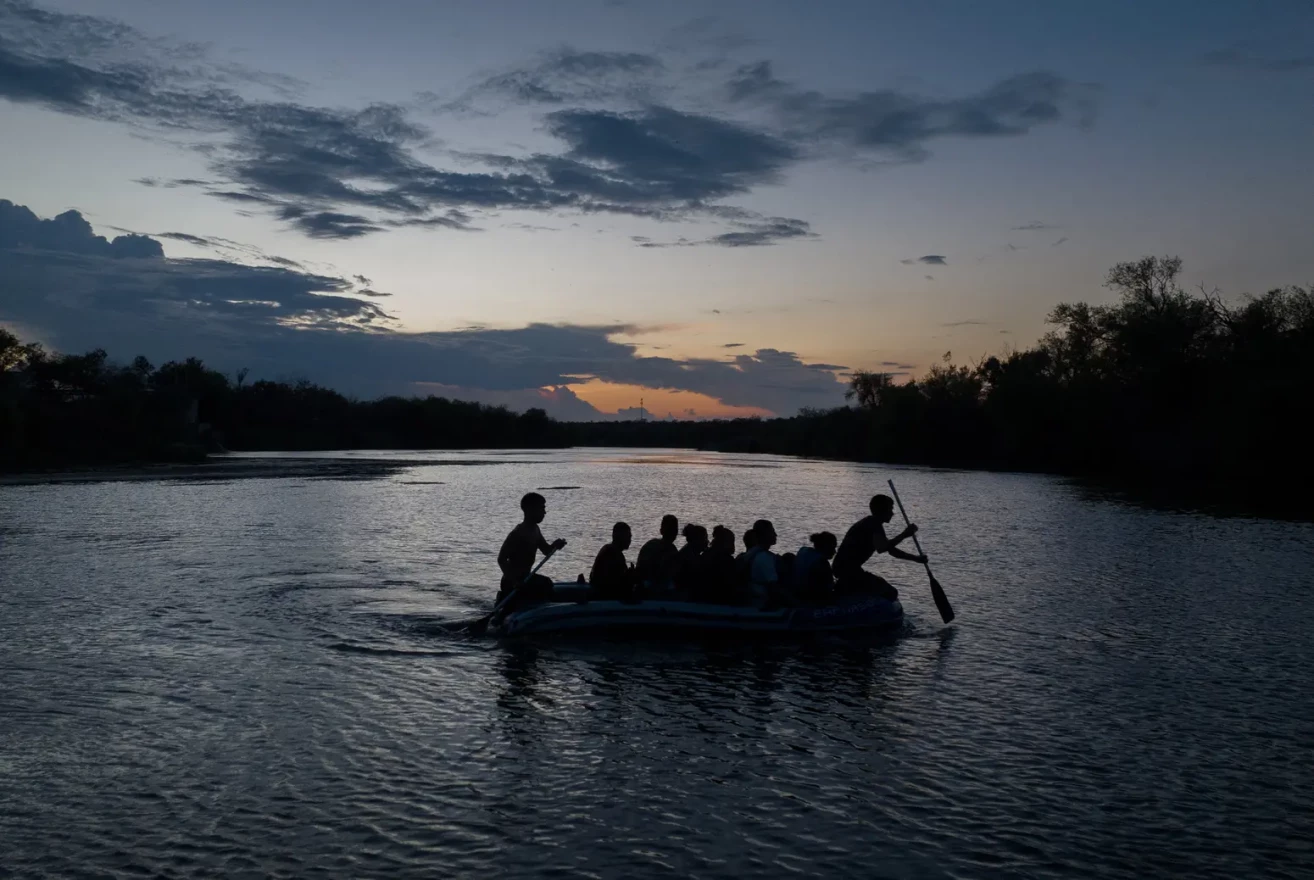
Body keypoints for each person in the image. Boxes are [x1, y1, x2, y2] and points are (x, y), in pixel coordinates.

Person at [832, 494, 925, 600]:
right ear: (882, 510)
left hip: (846, 569)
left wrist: (916, 559)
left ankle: (846, 589)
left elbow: (891, 550)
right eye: (890, 509)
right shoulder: (873, 524)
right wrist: (904, 534)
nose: (892, 513)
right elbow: (882, 548)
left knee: (882, 588)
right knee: (890, 593)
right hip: (847, 570)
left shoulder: (872, 523)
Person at [496, 492, 567, 610]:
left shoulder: (535, 529)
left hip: (526, 578)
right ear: (530, 509)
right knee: (545, 584)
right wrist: (514, 581)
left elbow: (546, 550)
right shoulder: (517, 533)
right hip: (513, 582)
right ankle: (506, 601)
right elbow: (501, 559)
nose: (544, 512)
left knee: (546, 583)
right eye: (542, 508)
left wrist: (556, 545)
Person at [589, 521, 636, 601]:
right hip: (604, 597)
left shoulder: (609, 550)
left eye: (630, 537)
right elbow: (615, 583)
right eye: (627, 537)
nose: (630, 540)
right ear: (619, 537)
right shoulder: (613, 553)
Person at [694, 525, 739, 604]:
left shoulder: (705, 555)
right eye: (732, 542)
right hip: (717, 600)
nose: (733, 546)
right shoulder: (726, 560)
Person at [636, 514, 680, 593]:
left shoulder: (671, 549)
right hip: (651, 587)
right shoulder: (652, 547)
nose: (673, 533)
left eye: (674, 530)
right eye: (671, 530)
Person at [793, 531, 838, 604]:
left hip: (798, 594)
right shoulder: (822, 563)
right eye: (833, 547)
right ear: (826, 547)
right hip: (811, 600)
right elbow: (828, 588)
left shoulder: (803, 551)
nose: (835, 551)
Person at [743, 519, 780, 603]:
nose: (775, 534)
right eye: (772, 531)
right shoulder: (764, 558)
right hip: (761, 602)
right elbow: (773, 587)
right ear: (764, 535)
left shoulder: (750, 554)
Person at [673, 523, 709, 596]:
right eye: (705, 538)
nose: (708, 541)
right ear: (697, 540)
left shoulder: (688, 551)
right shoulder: (690, 556)